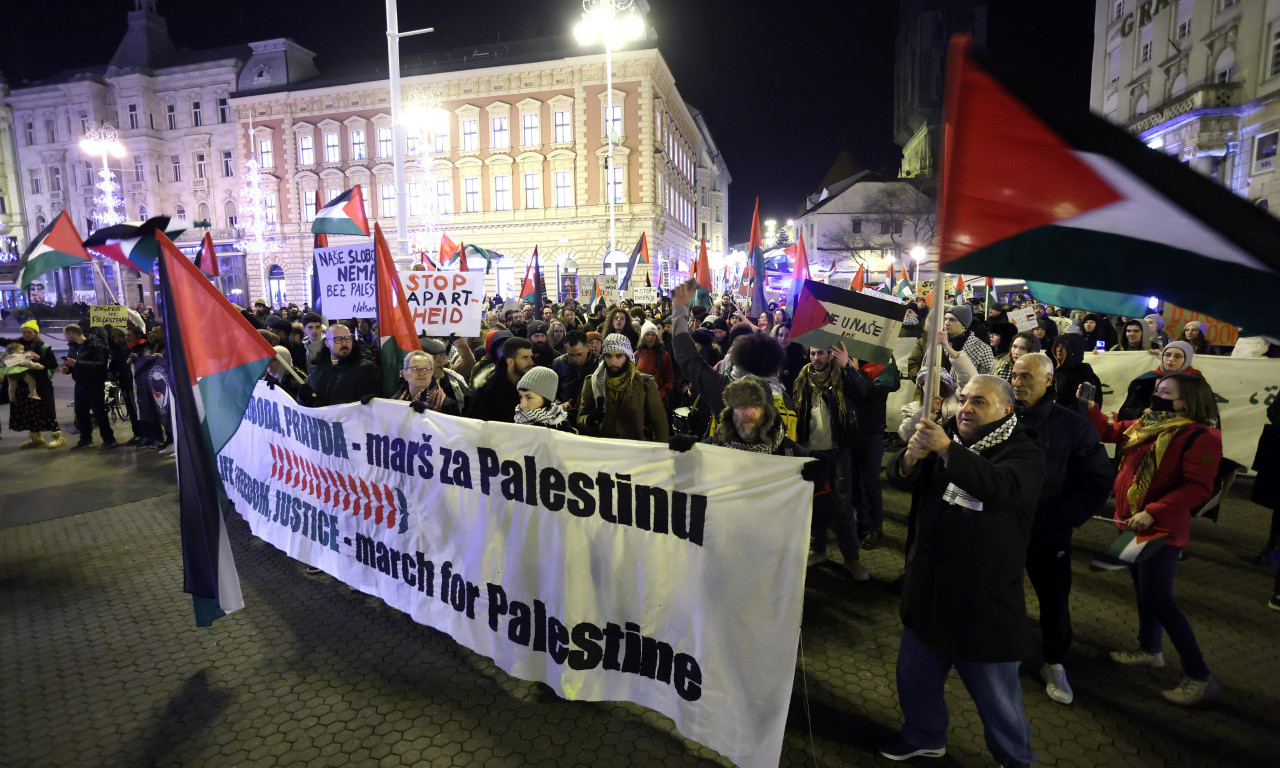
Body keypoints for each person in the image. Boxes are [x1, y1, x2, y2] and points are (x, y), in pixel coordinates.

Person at [881, 375, 1043, 768]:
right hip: (930, 587)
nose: (966, 407)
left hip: (981, 596)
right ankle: (924, 736)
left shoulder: (1023, 451)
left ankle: (1016, 759)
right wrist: (910, 457)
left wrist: (948, 450)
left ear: (1007, 409)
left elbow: (1001, 488)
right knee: (915, 678)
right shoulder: (945, 434)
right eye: (964, 398)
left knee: (997, 697)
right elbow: (899, 476)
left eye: (979, 402)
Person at [1085, 373, 1223, 705]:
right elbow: (1109, 432)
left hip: (1161, 530)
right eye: (1157, 390)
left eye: (1166, 392)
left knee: (1160, 600)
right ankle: (1150, 650)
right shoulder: (1147, 422)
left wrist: (1155, 511)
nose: (1157, 395)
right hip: (1131, 523)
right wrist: (1091, 407)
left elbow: (1198, 488)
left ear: (1186, 401)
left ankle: (1199, 675)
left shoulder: (1200, 436)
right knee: (1145, 594)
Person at [1011, 353, 1114, 705]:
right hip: (1000, 528)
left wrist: (1063, 518)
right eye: (1014, 375)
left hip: (1047, 532)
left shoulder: (1072, 425)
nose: (1018, 382)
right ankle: (1001, 651)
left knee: (1053, 600)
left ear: (1048, 381)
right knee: (998, 591)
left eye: (1027, 376)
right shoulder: (997, 415)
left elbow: (1098, 477)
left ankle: (1054, 662)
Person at [793, 342, 870, 580]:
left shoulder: (842, 376)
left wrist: (847, 366)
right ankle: (819, 550)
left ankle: (851, 559)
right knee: (814, 504)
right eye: (813, 353)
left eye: (821, 353)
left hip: (838, 451)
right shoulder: (802, 377)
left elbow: (866, 392)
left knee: (843, 506)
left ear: (830, 355)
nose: (816, 358)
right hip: (810, 452)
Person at [576, 334, 669, 442]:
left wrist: (659, 454)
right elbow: (580, 420)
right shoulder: (592, 382)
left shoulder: (644, 383)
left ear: (627, 356)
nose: (613, 361)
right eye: (608, 356)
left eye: (619, 356)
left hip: (635, 450)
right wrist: (591, 420)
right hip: (604, 449)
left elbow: (660, 424)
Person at [700, 375, 806, 456]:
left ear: (767, 411)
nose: (748, 412)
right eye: (742, 405)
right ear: (732, 411)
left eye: (755, 405)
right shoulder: (711, 449)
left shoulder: (788, 452)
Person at [0, 319, 63, 449]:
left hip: (41, 384)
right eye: (24, 332)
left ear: (35, 332)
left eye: (29, 332)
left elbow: (53, 364)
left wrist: (39, 358)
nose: (26, 335)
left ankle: (58, 437)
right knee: (29, 412)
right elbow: (4, 342)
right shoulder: (19, 343)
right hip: (23, 385)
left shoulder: (42, 346)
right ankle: (36, 438)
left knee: (47, 411)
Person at [61, 324, 118, 449]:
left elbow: (100, 364)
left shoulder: (95, 344)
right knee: (80, 412)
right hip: (80, 383)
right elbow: (76, 365)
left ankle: (109, 439)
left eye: (65, 334)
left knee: (99, 412)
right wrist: (69, 369)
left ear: (71, 333)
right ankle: (85, 439)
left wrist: (77, 363)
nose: (65, 337)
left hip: (94, 383)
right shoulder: (74, 347)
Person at [1117, 341, 1201, 422]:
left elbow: (1204, 412)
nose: (1171, 359)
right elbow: (1126, 411)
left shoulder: (1195, 382)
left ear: (1187, 359)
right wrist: (1142, 411)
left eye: (1178, 356)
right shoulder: (1148, 380)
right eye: (1167, 355)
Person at [303, 324, 381, 406]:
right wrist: (303, 398)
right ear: (327, 343)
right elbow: (308, 405)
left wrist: (373, 400)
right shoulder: (316, 370)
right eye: (338, 339)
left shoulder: (365, 369)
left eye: (348, 339)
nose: (344, 343)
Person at [467, 336, 534, 423]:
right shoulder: (487, 390)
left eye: (531, 357)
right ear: (510, 362)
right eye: (525, 358)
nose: (531, 362)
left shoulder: (534, 382)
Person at [391, 351, 459, 415]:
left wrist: (430, 414)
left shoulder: (447, 405)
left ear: (432, 373)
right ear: (404, 374)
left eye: (426, 369)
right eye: (415, 368)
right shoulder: (395, 400)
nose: (422, 373)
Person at [1048, 332, 1102, 411]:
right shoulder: (1055, 370)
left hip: (1073, 419)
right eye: (1058, 345)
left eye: (1064, 346)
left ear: (1074, 349)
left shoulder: (1084, 371)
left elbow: (1086, 404)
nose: (1059, 349)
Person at [514, 367, 576, 432]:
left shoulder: (560, 429)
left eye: (529, 397)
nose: (522, 405)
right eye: (520, 396)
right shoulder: (519, 419)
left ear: (546, 398)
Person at [635, 321, 675, 404]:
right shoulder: (636, 355)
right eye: (647, 334)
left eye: (653, 334)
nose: (650, 337)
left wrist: (660, 394)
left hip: (657, 399)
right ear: (643, 337)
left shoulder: (664, 356)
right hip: (639, 399)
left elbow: (670, 381)